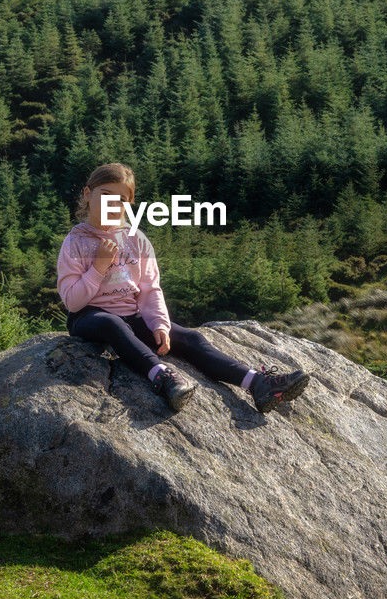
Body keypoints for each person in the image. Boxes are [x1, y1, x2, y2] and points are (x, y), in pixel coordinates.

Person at [55, 162, 310, 413]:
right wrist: (98, 268)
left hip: (131, 317)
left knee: (190, 338)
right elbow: (72, 302)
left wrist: (160, 325)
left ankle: (257, 383)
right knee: (113, 325)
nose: (113, 205)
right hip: (89, 317)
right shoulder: (75, 243)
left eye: (121, 200)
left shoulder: (135, 239)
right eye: (105, 195)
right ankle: (162, 376)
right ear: (88, 194)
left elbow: (150, 289)